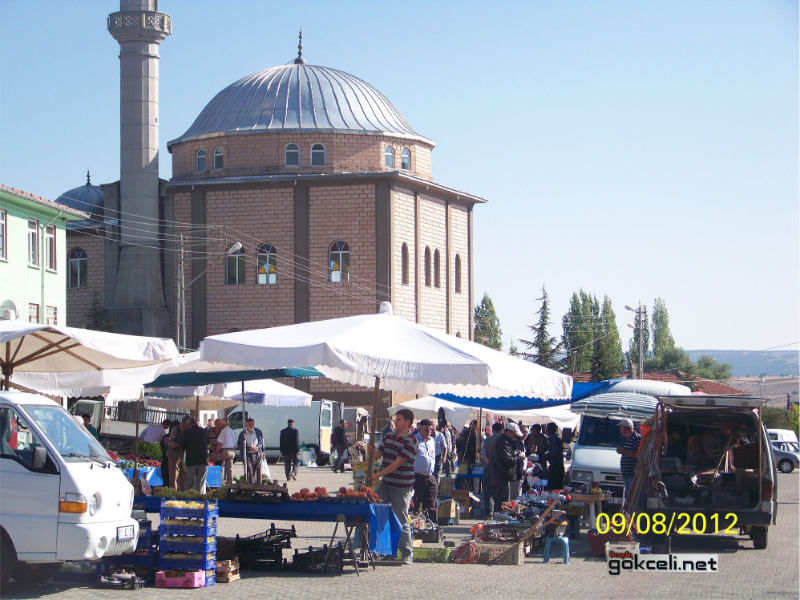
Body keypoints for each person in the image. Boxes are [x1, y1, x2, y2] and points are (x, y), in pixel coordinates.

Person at [367, 408, 417, 564]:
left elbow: (397, 463)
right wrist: (371, 451)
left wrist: (378, 475)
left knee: (401, 519)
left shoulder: (411, 441)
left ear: (407, 423)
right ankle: (377, 550)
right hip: (386, 483)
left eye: (399, 419)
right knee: (374, 511)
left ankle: (407, 553)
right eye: (396, 419)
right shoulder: (388, 436)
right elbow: (378, 455)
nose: (395, 422)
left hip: (402, 486)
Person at [491, 422, 523, 509]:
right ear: (508, 432)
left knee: (503, 502)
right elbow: (509, 460)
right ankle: (498, 516)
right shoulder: (503, 442)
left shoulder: (507, 442)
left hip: (503, 477)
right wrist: (520, 456)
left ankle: (499, 515)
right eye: (514, 435)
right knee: (501, 503)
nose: (515, 437)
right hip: (501, 477)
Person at [412, 419, 438, 525]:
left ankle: (432, 527)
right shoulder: (414, 440)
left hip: (430, 476)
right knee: (416, 504)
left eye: (431, 429)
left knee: (432, 504)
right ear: (420, 428)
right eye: (426, 429)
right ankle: (415, 527)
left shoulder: (432, 441)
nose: (429, 431)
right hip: (417, 477)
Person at [180, 416, 209, 494]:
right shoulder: (204, 431)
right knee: (201, 481)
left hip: (192, 460)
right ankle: (201, 496)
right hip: (203, 459)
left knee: (189, 481)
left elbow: (183, 446)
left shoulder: (187, 432)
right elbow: (208, 442)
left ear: (188, 424)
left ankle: (188, 496)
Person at [481, 422, 504, 517]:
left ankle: (489, 514)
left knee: (488, 493)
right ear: (502, 430)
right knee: (500, 493)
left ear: (493, 430)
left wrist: (490, 464)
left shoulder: (487, 440)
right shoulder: (504, 440)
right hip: (501, 471)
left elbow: (483, 455)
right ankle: (499, 513)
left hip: (488, 470)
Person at [208, 418, 237, 486]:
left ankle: (213, 481)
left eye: (220, 424)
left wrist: (216, 452)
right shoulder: (232, 431)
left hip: (225, 451)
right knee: (229, 468)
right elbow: (235, 445)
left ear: (223, 424)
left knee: (209, 459)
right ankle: (229, 483)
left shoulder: (223, 431)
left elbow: (220, 444)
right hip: (232, 451)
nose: (220, 425)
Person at [616, 418, 642, 496]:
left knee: (633, 496)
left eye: (621, 427)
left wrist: (623, 452)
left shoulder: (636, 438)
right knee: (628, 497)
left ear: (624, 428)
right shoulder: (628, 439)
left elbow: (638, 455)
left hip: (632, 475)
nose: (620, 430)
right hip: (627, 475)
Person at [238, 418, 265, 484]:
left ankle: (256, 483)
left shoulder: (257, 433)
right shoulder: (243, 434)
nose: (251, 426)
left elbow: (261, 443)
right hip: (247, 455)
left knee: (255, 469)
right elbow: (239, 444)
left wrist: (258, 448)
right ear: (246, 425)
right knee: (249, 469)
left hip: (256, 454)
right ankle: (251, 483)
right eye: (249, 424)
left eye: (252, 424)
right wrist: (248, 448)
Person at [543, 422, 564, 490]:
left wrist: (546, 457)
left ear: (547, 430)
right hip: (559, 465)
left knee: (553, 487)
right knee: (558, 487)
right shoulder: (558, 439)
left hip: (555, 466)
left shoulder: (552, 439)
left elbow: (556, 453)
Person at [166, 420, 185, 490]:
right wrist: (177, 444)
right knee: (173, 476)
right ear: (183, 423)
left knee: (184, 476)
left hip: (184, 455)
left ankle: (183, 493)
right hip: (173, 455)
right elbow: (170, 441)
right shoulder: (176, 429)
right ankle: (173, 492)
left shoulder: (189, 429)